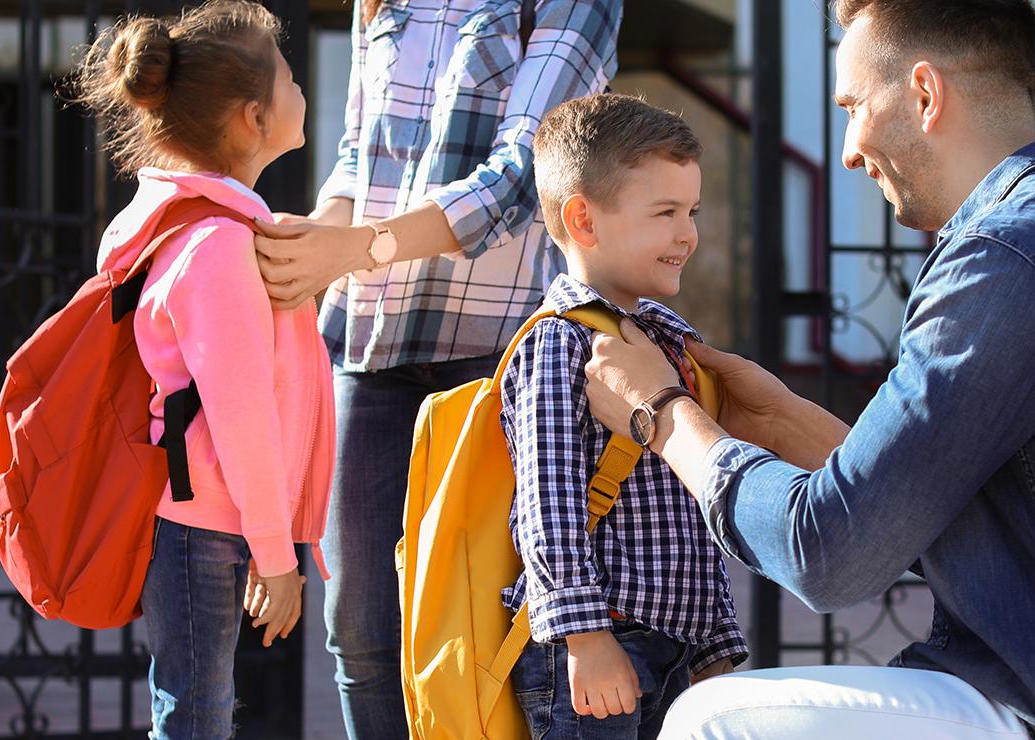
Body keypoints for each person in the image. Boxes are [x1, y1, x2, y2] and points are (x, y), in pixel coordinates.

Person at [584, 0, 1035, 738]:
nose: (850, 149)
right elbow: (957, 527)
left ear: (925, 94)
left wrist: (662, 415)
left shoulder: (1000, 260)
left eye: (853, 106)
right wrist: (782, 423)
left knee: (712, 720)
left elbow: (830, 555)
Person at [251, 2, 623, 736]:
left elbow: (521, 178)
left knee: (486, 627)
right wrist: (306, 243)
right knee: (358, 627)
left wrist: (355, 249)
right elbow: (360, 158)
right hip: (367, 346)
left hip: (497, 352)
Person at [74, 3, 334, 737]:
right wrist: (276, 552)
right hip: (201, 523)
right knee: (194, 719)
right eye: (289, 76)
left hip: (212, 519)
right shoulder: (217, 247)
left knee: (197, 713)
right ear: (254, 117)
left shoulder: (205, 228)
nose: (301, 88)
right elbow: (242, 412)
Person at [497, 94, 748, 740]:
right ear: (583, 220)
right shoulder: (560, 343)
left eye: (691, 211)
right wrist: (584, 636)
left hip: (670, 647)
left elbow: (694, 505)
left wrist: (715, 639)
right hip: (596, 642)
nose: (687, 234)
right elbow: (546, 504)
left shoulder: (668, 340)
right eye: (665, 213)